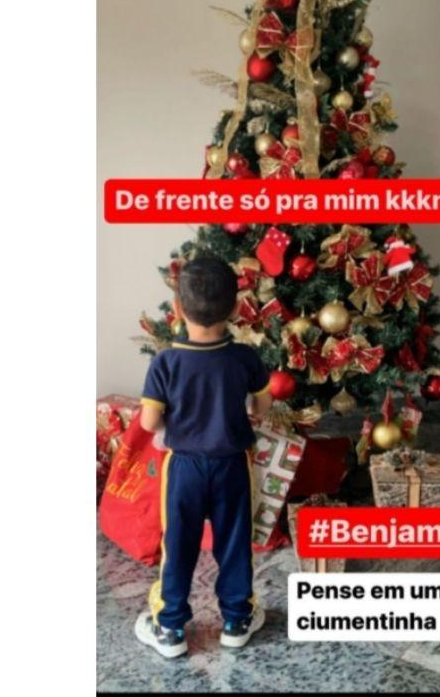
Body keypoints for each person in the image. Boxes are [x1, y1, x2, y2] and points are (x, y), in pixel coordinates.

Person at [133, 256, 274, 658]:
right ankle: (236, 620)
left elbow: (148, 422)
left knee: (178, 544)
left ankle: (170, 628)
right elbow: (262, 406)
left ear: (177, 309)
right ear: (236, 308)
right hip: (232, 466)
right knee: (234, 541)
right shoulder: (245, 358)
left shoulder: (165, 362)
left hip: (184, 469)